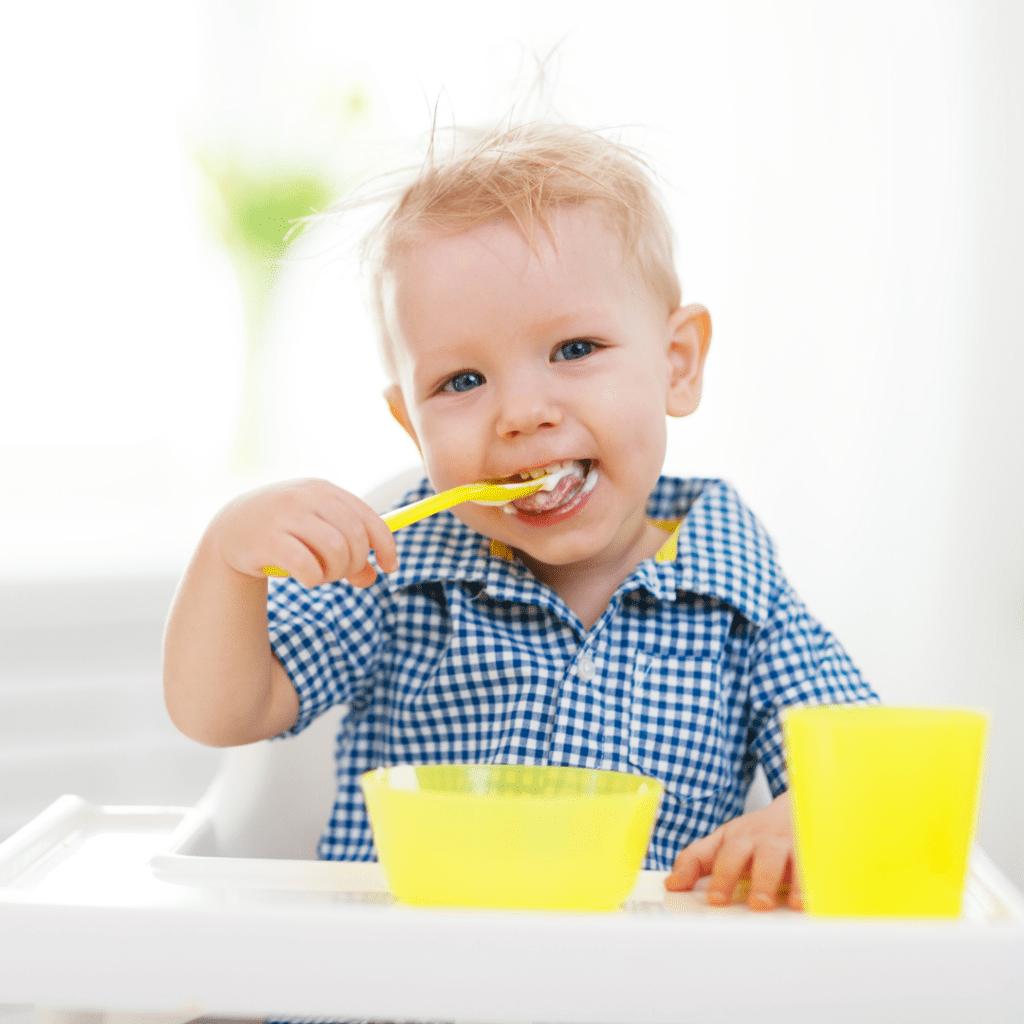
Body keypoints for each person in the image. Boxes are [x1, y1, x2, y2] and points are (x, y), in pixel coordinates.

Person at [164, 122, 878, 938]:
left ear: (677, 363)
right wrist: (228, 557)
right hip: (398, 988)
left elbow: (869, 777)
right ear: (410, 423)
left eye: (575, 348)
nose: (523, 414)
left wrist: (808, 818)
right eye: (461, 380)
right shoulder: (396, 568)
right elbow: (221, 713)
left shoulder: (735, 591)